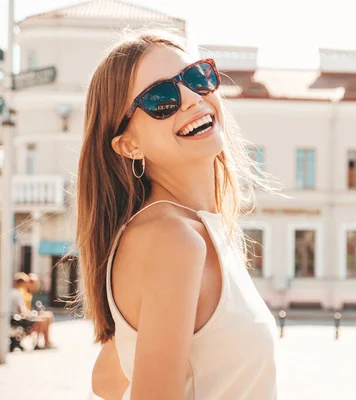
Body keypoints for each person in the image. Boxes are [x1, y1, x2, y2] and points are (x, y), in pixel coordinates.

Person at [77, 30, 278, 400]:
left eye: (196, 77)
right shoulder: (172, 241)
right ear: (129, 144)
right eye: (160, 98)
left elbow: (107, 378)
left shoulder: (195, 230)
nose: (189, 98)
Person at [27, 273, 55, 348]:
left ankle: (47, 341)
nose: (36, 286)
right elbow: (24, 310)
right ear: (30, 283)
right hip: (25, 318)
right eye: (35, 284)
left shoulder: (29, 293)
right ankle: (43, 342)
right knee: (43, 319)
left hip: (29, 315)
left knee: (48, 315)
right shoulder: (25, 293)